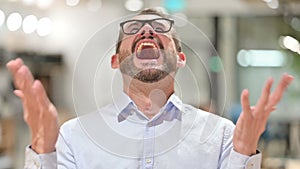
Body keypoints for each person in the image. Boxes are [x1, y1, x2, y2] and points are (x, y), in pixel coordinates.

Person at [6, 8, 293, 169]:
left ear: (180, 59)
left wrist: (244, 154)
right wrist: (42, 149)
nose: (146, 31)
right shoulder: (73, 137)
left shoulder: (220, 136)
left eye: (159, 27)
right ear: (116, 60)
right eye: (133, 29)